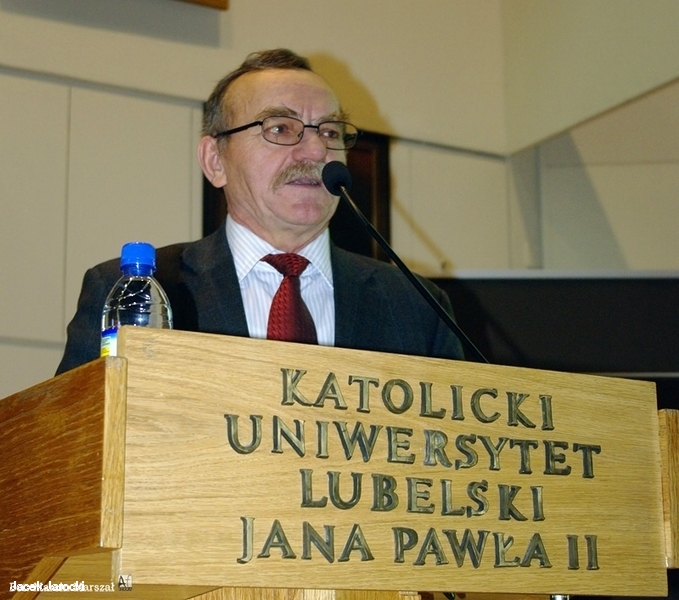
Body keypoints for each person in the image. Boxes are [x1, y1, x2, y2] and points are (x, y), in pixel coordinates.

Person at [56, 49, 464, 375]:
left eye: (329, 131)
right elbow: (73, 439)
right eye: (280, 128)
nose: (316, 151)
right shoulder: (140, 289)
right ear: (215, 160)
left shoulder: (417, 306)